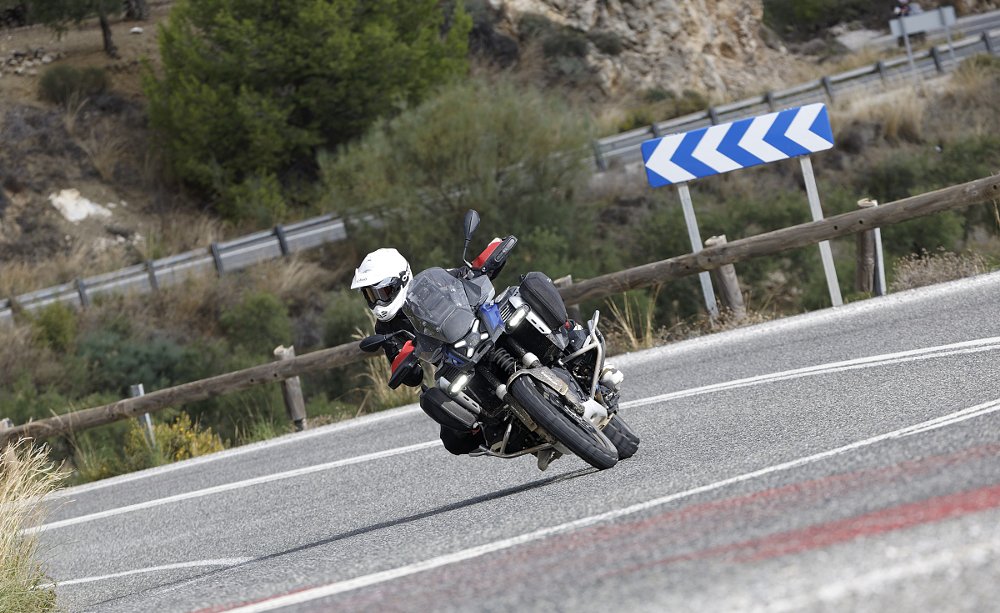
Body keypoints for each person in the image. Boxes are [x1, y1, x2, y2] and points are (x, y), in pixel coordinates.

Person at [351, 248, 481, 455]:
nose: (377, 302)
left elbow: (473, 276)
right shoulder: (386, 328)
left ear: (401, 281)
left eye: (382, 293)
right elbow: (410, 374)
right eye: (370, 295)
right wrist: (407, 367)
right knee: (452, 439)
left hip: (483, 336)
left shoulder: (435, 283)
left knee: (527, 291)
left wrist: (484, 265)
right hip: (455, 368)